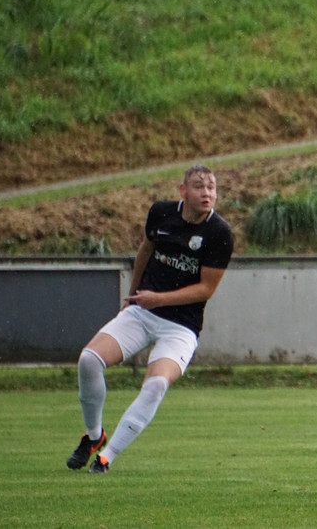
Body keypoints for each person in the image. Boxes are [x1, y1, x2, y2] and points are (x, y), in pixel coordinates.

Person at [65, 165, 234, 473]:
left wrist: (159, 299)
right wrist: (132, 297)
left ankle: (106, 458)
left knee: (156, 384)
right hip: (142, 311)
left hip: (181, 327)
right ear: (183, 191)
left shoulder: (220, 233)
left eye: (211, 187)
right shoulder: (161, 213)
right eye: (199, 187)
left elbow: (206, 289)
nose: (207, 193)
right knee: (88, 361)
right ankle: (94, 436)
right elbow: (145, 250)